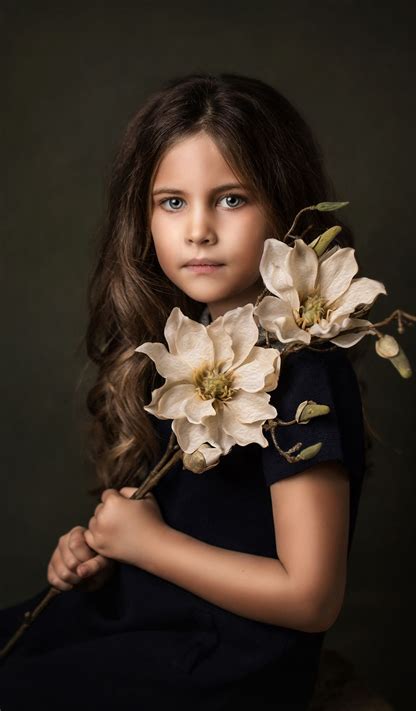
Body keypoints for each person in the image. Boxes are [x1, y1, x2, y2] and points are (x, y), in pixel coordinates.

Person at [0, 72, 368, 710]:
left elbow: (311, 597)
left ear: (287, 206)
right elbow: (188, 518)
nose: (198, 229)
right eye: (172, 202)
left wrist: (149, 544)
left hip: (216, 660)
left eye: (230, 199)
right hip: (145, 618)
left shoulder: (302, 370)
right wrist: (102, 554)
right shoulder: (187, 342)